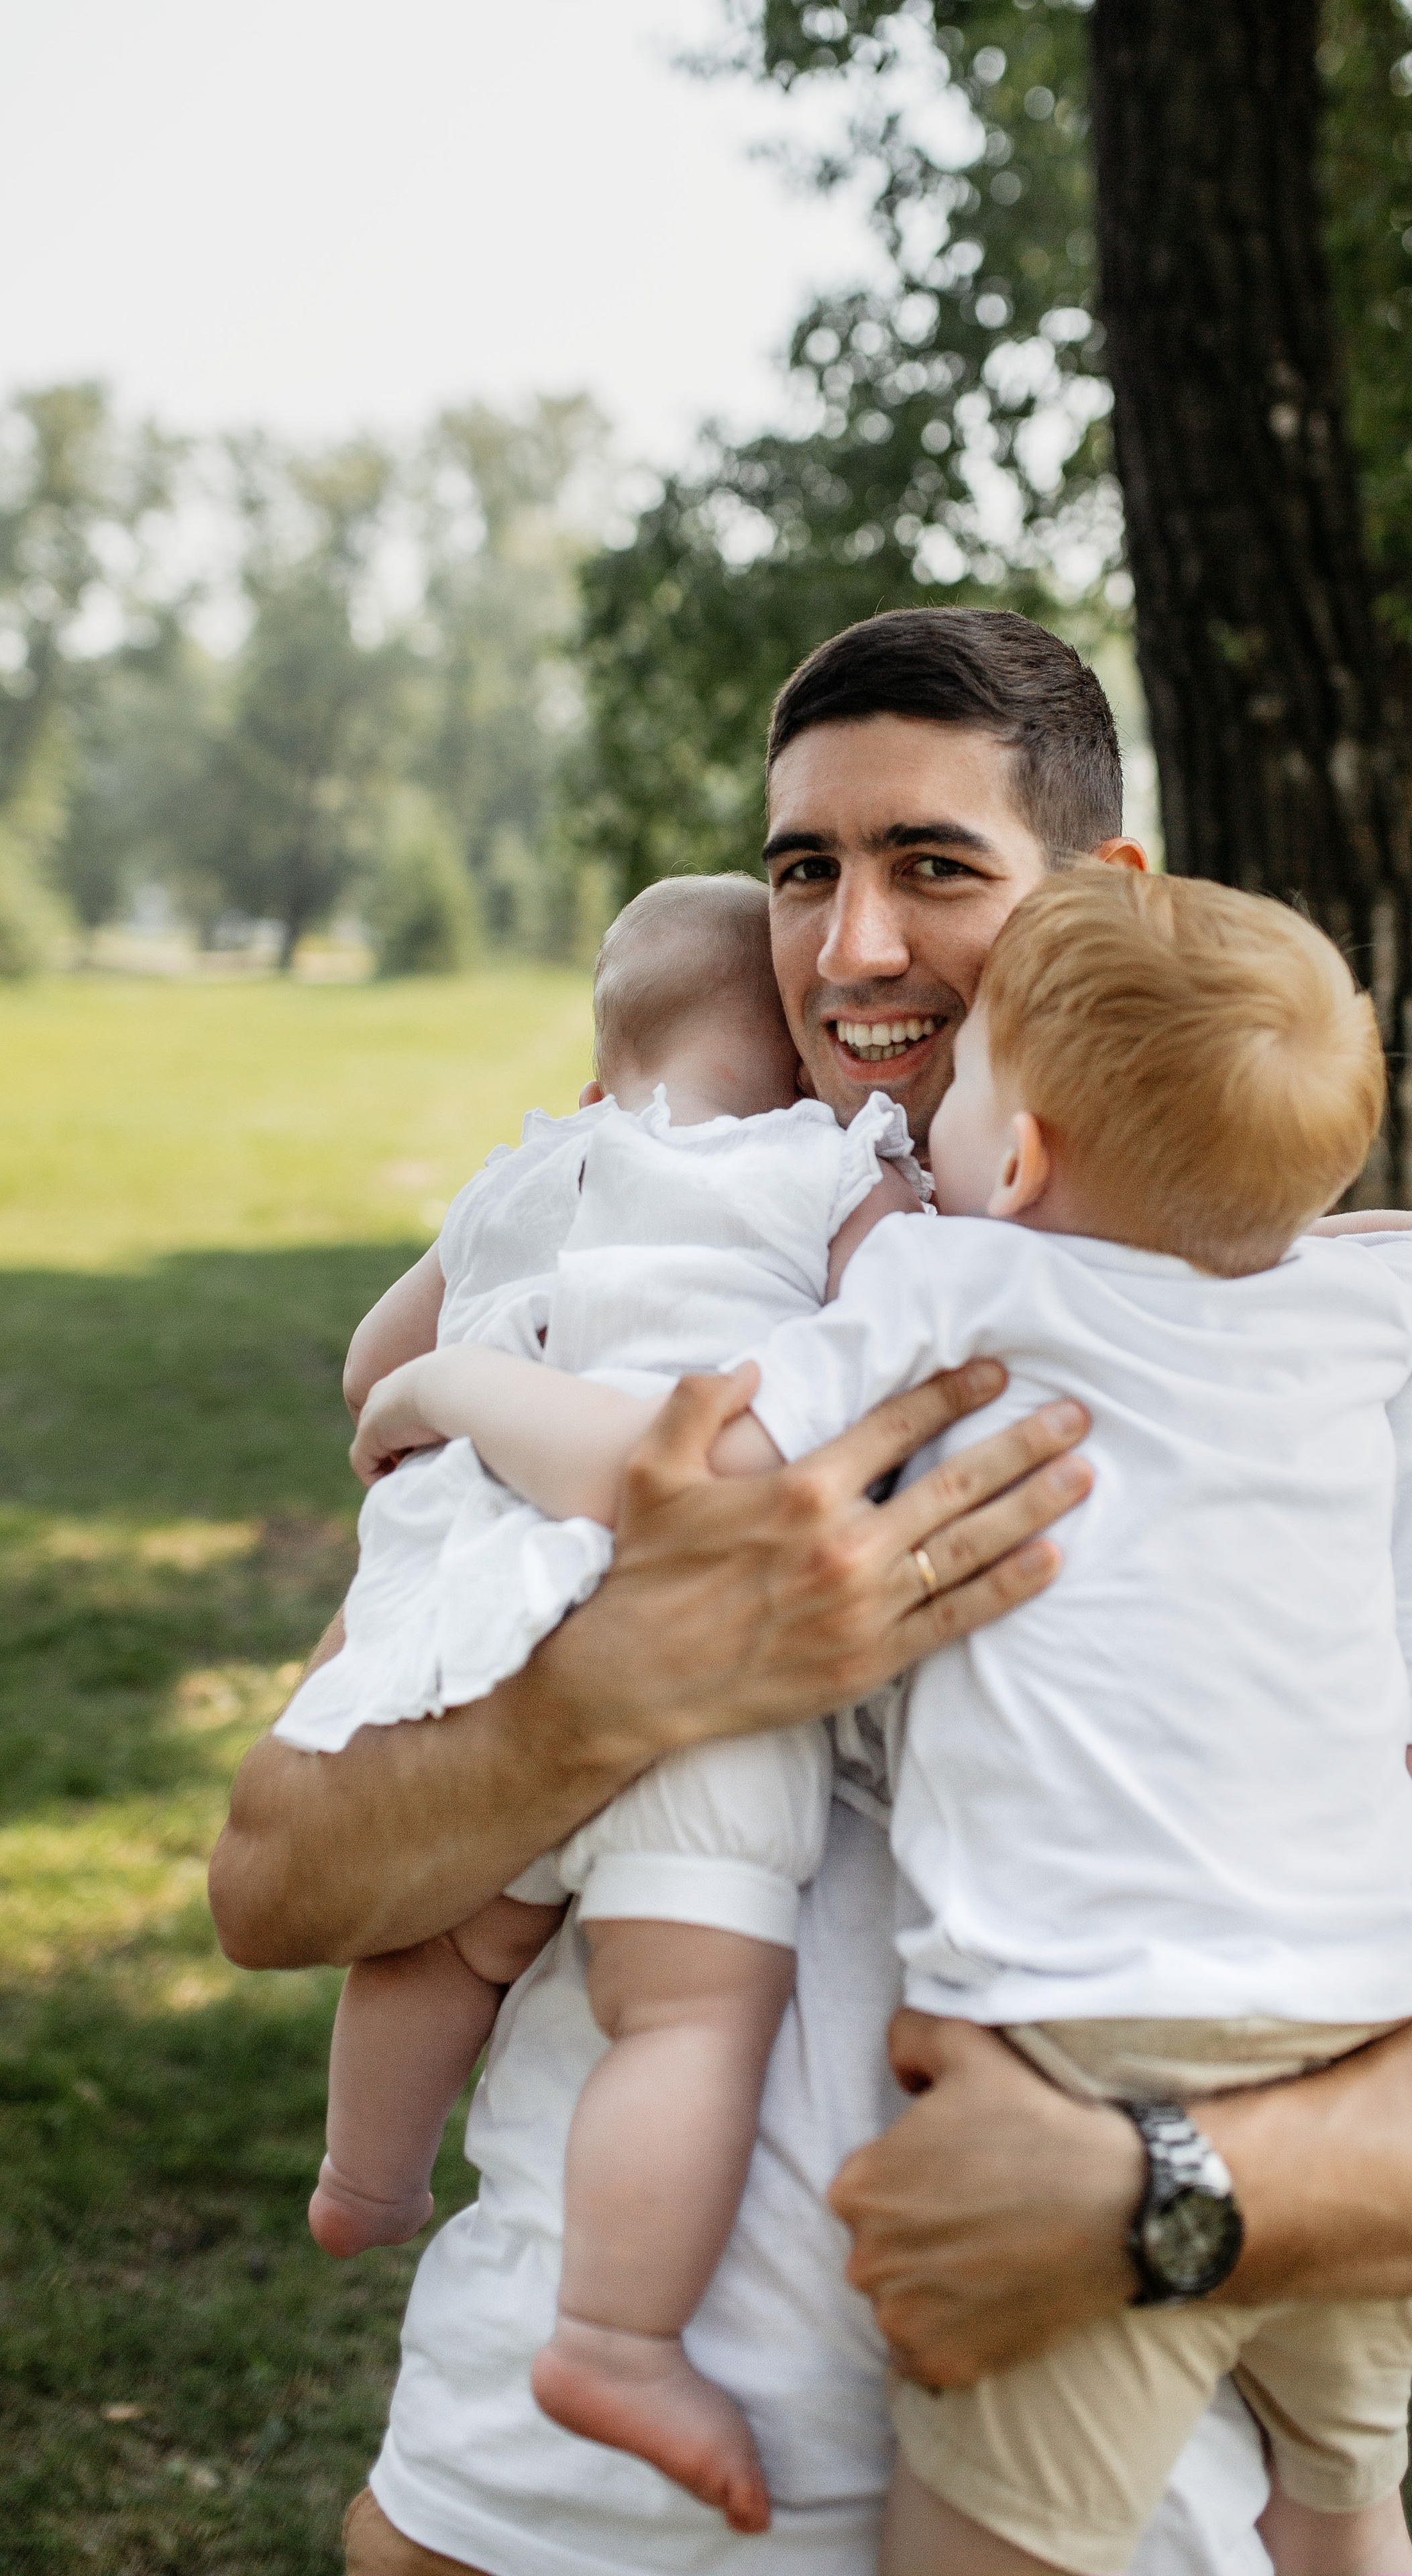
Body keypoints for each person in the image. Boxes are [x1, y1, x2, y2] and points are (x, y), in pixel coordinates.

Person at [208, 610, 1412, 2576]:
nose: (851, 949)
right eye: (803, 869)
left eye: (935, 867)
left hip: (1071, 2485)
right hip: (540, 2499)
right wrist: (625, 1686)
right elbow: (277, 1879)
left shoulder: (1318, 1391)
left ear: (1105, 902)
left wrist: (1142, 2189)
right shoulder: (637, 1301)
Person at [356, 865, 1412, 2576]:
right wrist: (1266, 1232)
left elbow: (698, 1470)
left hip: (1086, 2068)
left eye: (963, 1090)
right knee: (1344, 2517)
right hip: (1350, 2042)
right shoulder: (1347, 1314)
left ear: (1021, 1157)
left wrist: (451, 1384)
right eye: (803, 870)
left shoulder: (961, 1293)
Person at [282, 871, 923, 2540]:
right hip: (694, 1643)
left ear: (594, 1067)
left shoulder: (522, 1177)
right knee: (689, 2013)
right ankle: (616, 2340)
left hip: (469, 1633)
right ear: (793, 1066)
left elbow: (371, 1374)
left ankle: (364, 2178)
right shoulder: (827, 1162)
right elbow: (910, 1306)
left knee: (441, 1939)